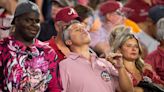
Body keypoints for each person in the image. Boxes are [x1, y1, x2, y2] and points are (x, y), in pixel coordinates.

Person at [60, 20, 133, 92]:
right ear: (68, 41)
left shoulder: (105, 63)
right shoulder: (64, 65)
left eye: (84, 28)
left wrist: (120, 67)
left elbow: (128, 90)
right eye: (77, 30)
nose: (83, 30)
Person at [0, 1, 58, 91]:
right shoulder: (2, 48)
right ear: (16, 20)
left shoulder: (48, 52)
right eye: (28, 20)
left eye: (37, 21)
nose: (34, 25)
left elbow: (54, 88)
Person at [109, 26, 164, 92]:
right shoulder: (114, 70)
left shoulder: (146, 69)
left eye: (136, 46)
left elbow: (161, 86)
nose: (134, 49)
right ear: (119, 50)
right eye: (129, 46)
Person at [47, 6, 82, 92]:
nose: (72, 28)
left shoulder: (81, 49)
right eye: (68, 25)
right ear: (57, 27)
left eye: (75, 24)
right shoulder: (45, 49)